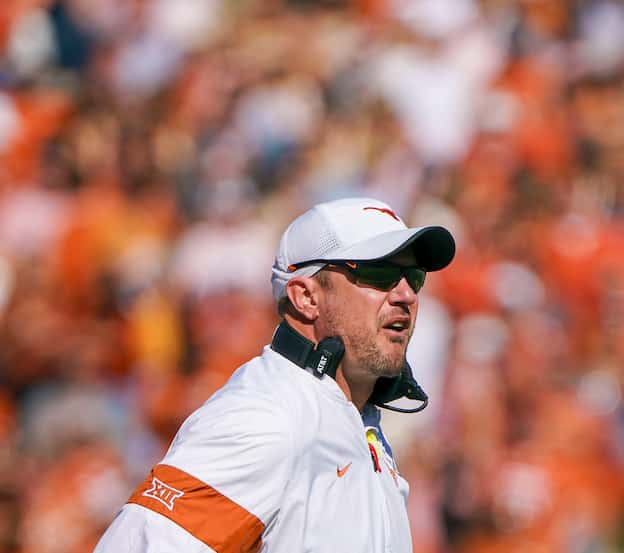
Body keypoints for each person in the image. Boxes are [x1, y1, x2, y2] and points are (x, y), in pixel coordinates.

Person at [93, 197, 456, 553]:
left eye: (414, 277)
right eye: (381, 273)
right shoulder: (265, 417)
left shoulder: (358, 422)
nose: (406, 294)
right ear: (306, 297)